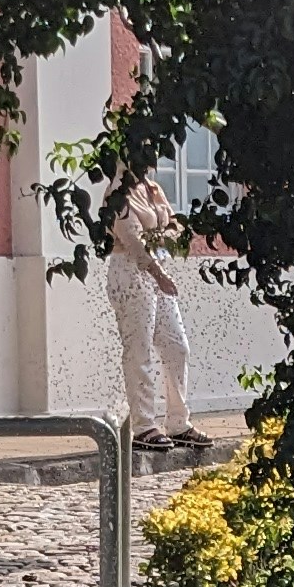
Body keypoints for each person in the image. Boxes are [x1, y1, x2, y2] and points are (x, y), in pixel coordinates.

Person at [105, 177, 203, 453]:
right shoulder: (119, 192)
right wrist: (157, 271)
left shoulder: (151, 188)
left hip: (157, 267)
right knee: (139, 349)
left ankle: (178, 422)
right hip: (130, 271)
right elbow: (132, 240)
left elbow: (175, 226)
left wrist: (162, 245)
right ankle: (144, 425)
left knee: (176, 346)